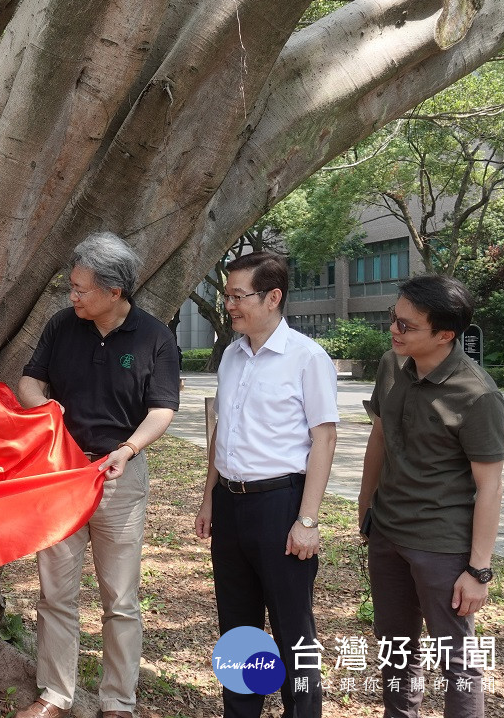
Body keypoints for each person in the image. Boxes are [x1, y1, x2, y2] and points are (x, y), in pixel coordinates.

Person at [15, 232, 180, 718]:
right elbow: (29, 378)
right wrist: (41, 406)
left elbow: (163, 410)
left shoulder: (154, 337)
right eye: (71, 287)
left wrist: (128, 449)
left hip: (119, 476)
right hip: (62, 473)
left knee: (121, 598)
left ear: (115, 291)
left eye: (81, 289)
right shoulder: (61, 326)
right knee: (56, 593)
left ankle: (117, 702)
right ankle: (55, 695)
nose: (73, 297)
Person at [194, 250, 338, 718]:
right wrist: (208, 499)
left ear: (273, 297)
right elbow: (223, 431)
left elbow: (324, 437)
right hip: (230, 506)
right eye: (228, 295)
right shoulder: (232, 357)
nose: (230, 305)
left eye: (240, 296)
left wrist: (308, 520)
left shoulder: (306, 357)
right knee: (238, 631)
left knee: (293, 630)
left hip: (281, 504)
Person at [359, 275, 504, 717]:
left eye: (407, 325)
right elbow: (379, 437)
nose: (394, 330)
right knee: (396, 650)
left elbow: (490, 486)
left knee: (459, 663)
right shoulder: (391, 364)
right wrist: (367, 509)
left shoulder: (477, 395)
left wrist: (478, 570)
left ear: (445, 334)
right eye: (393, 319)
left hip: (441, 547)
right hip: (387, 534)